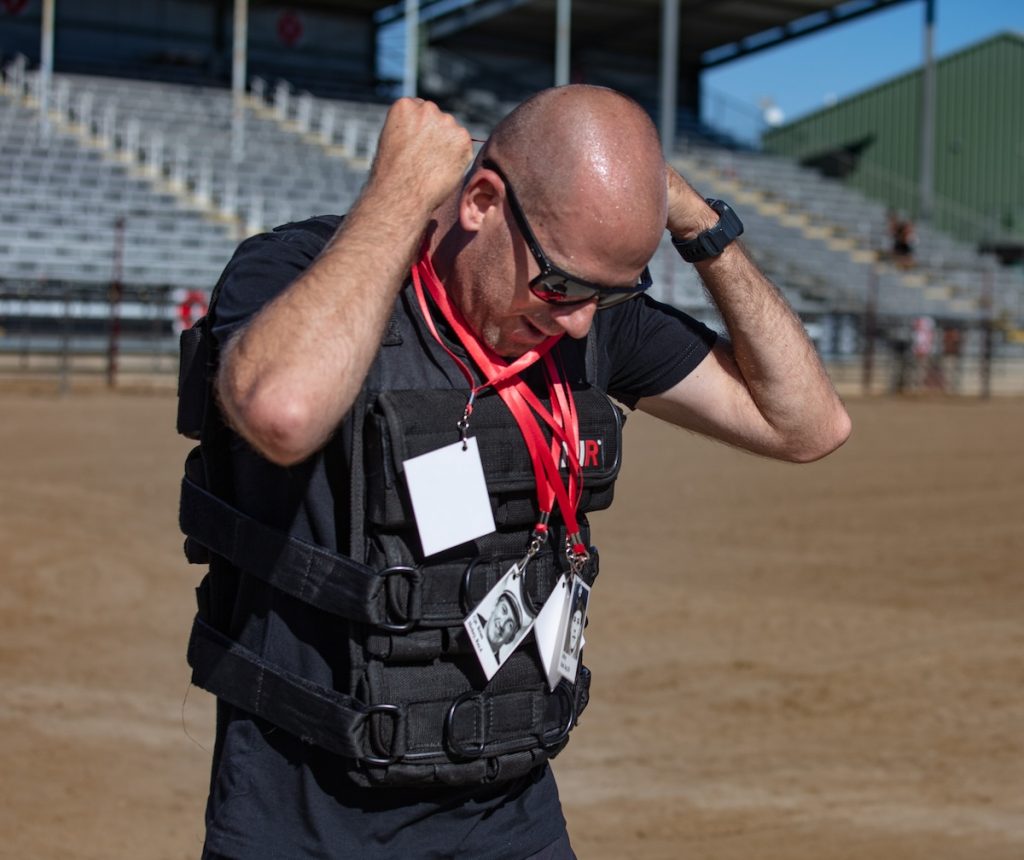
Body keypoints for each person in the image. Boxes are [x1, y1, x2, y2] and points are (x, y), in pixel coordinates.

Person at [178, 85, 850, 860]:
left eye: (610, 294)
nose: (578, 321)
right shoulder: (297, 270)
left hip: (510, 815)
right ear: (483, 201)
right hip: (304, 825)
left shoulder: (585, 319)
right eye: (561, 284)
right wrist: (399, 193)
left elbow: (808, 424)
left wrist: (699, 225)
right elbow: (281, 411)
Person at [482, 591, 523, 659]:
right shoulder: (471, 617)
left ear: (510, 639)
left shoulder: (498, 668)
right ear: (494, 607)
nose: (502, 624)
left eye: (510, 625)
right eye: (504, 610)